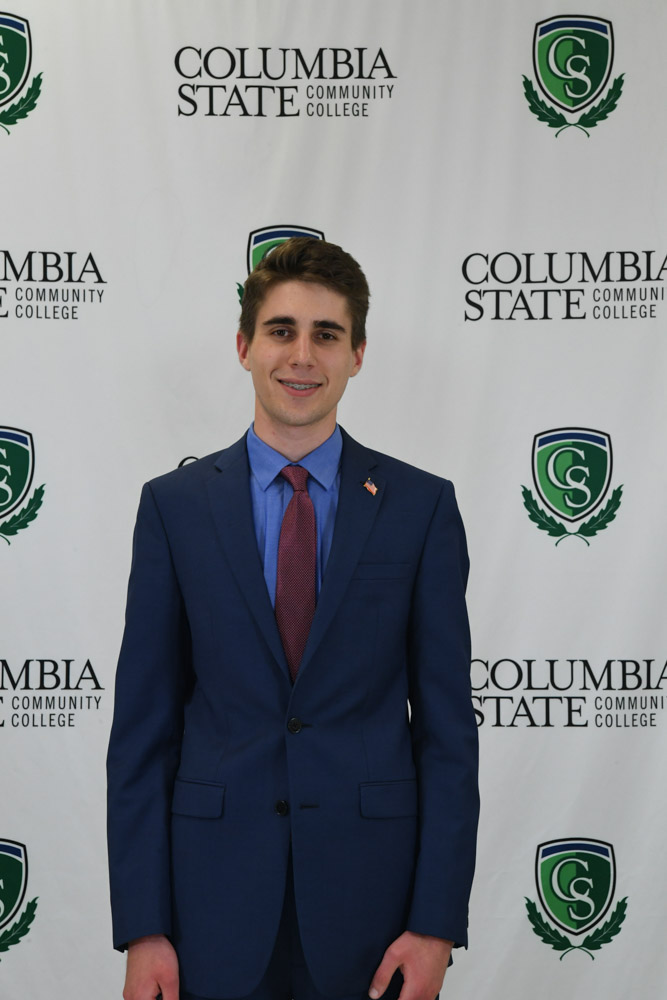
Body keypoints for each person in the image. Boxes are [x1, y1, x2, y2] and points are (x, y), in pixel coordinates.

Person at [107, 238, 479, 1000]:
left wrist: (436, 925)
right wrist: (144, 930)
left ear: (358, 354)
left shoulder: (420, 507)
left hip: (372, 912)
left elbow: (447, 736)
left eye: (326, 334)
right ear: (243, 347)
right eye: (280, 331)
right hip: (210, 906)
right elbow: (142, 735)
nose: (301, 355)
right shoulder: (173, 509)